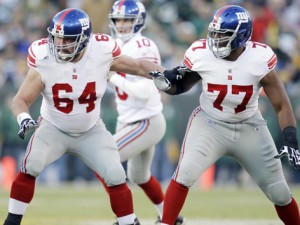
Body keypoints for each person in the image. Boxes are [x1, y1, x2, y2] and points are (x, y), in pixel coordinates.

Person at [3, 7, 165, 225]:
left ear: (83, 40)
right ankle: (12, 221)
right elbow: (20, 100)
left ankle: (129, 222)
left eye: (66, 40)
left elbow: (136, 66)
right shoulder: (43, 56)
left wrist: (165, 74)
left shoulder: (101, 51)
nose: (59, 45)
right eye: (56, 38)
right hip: (53, 127)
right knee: (30, 164)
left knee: (115, 174)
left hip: (91, 130)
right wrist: (23, 117)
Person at [150, 5, 300, 225]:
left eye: (223, 35)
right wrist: (168, 84)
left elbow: (282, 104)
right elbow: (182, 85)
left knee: (280, 193)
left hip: (249, 125)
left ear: (240, 37)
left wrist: (290, 138)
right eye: (215, 33)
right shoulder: (202, 53)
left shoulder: (259, 58)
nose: (216, 39)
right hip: (210, 123)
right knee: (185, 173)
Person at [95, 1, 184, 224]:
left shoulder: (144, 46)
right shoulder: (113, 44)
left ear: (139, 21)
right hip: (128, 120)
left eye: (127, 20)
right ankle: (170, 216)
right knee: (139, 176)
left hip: (146, 121)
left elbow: (146, 91)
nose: (122, 24)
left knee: (103, 161)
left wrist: (112, 78)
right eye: (118, 20)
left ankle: (127, 217)